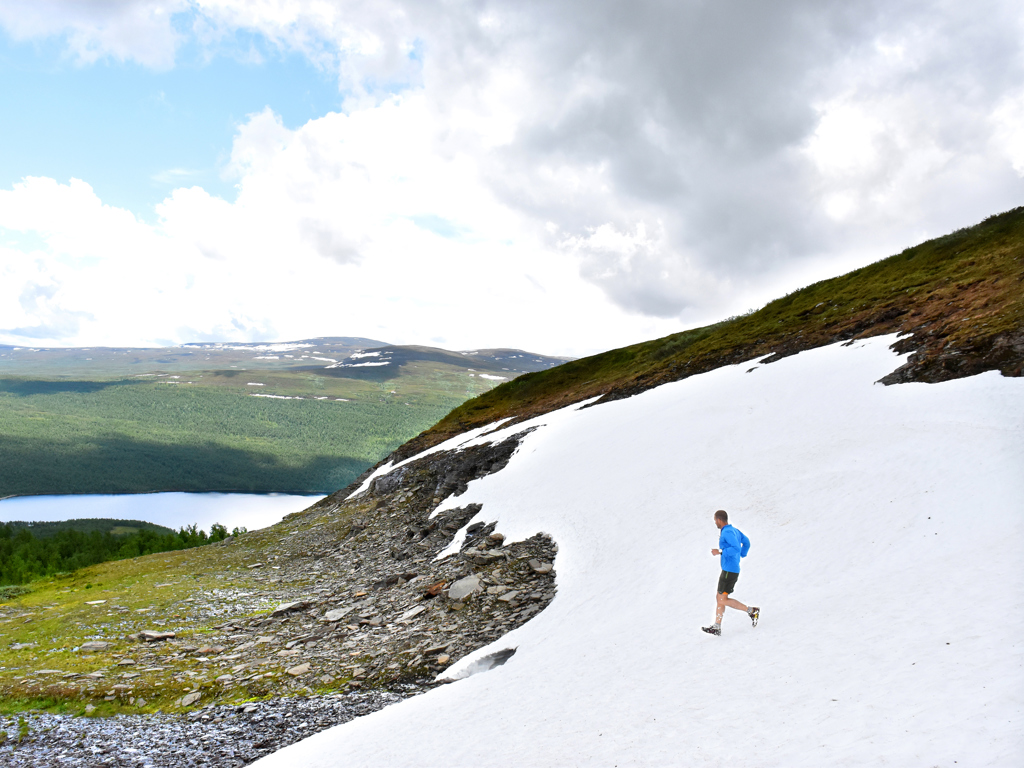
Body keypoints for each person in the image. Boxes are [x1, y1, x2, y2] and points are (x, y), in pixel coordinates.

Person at [702, 509, 759, 636]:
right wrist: (742, 554)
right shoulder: (734, 530)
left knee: (722, 599)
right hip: (730, 569)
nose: (715, 523)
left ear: (719, 520)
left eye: (715, 520)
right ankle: (717, 626)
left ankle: (751, 611)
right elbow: (746, 542)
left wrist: (720, 552)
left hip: (729, 570)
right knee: (720, 598)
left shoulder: (727, 532)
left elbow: (735, 548)